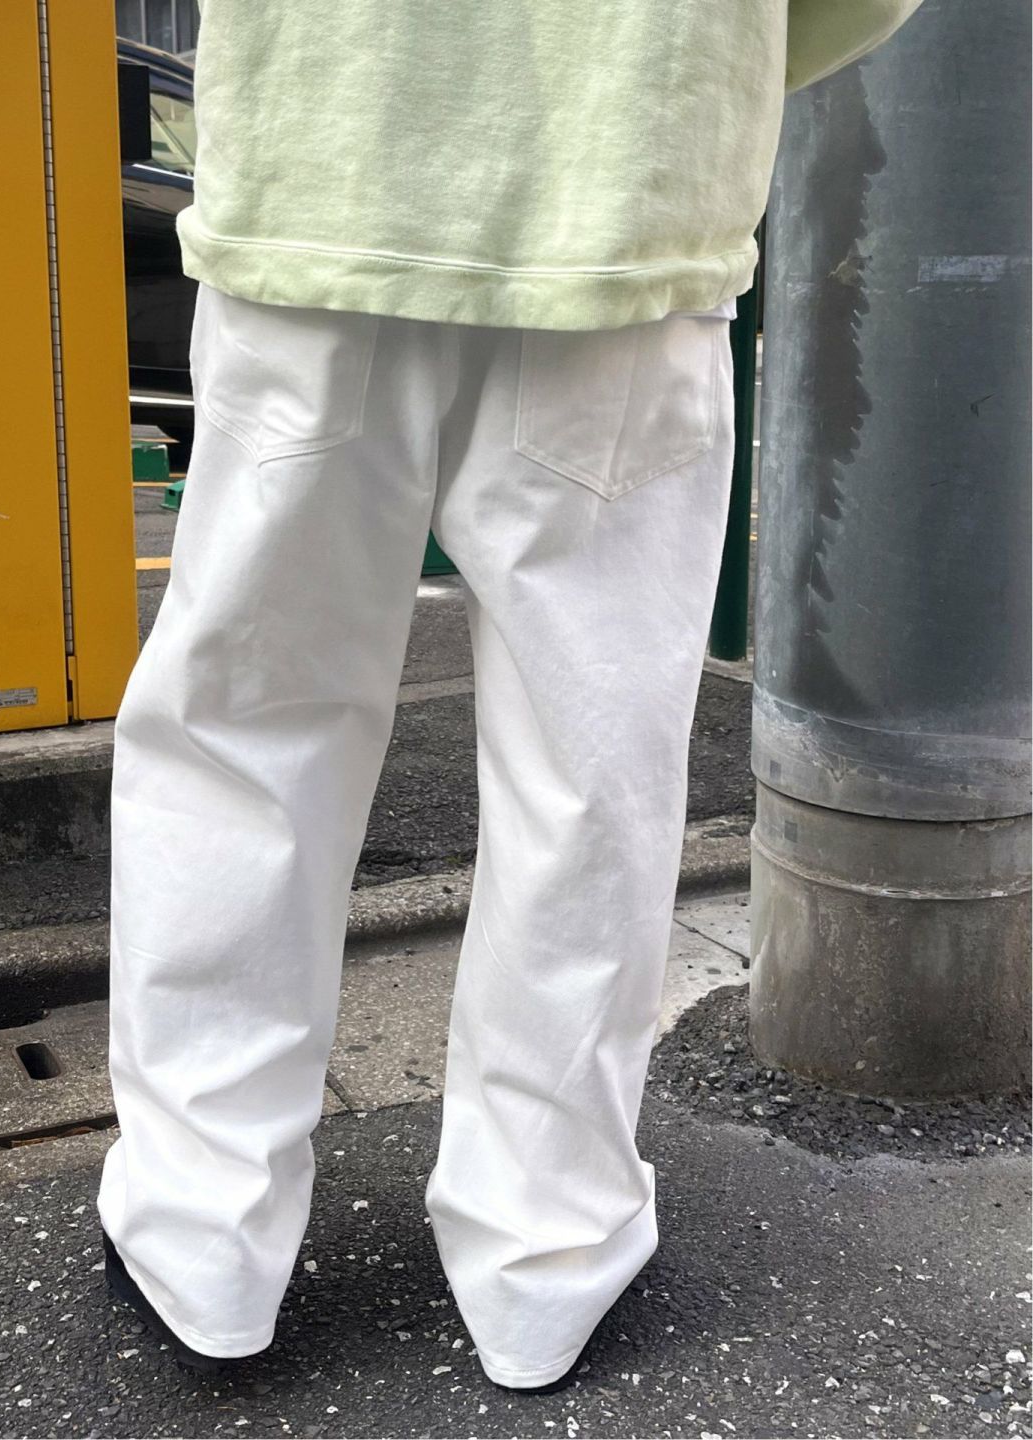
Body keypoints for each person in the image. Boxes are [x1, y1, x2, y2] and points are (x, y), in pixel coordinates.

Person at [98, 0, 924, 1390]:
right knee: (589, 767)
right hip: (630, 170)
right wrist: (688, 58)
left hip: (324, 142)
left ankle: (203, 1235)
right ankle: (546, 1253)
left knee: (245, 735)